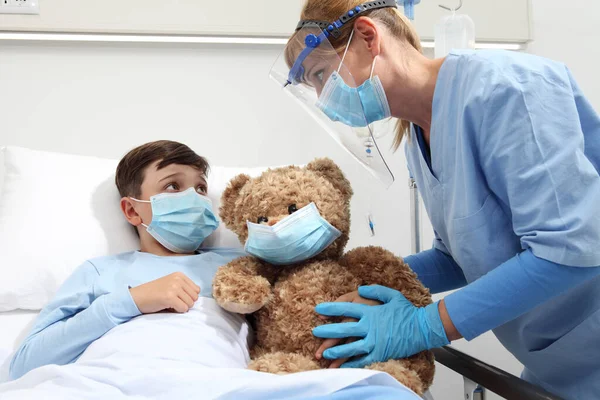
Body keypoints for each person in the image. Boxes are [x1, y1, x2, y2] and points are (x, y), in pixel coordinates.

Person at [272, 0, 600, 398]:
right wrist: (355, 277)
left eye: (321, 75)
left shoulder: (507, 89)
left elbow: (571, 248)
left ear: (368, 37)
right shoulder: (417, 134)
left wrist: (423, 325)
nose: (324, 97)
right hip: (559, 365)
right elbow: (460, 256)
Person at [8, 140, 247, 380]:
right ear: (132, 211)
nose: (194, 198)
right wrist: (131, 301)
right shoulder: (100, 272)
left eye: (201, 188)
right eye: (173, 186)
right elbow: (24, 365)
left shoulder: (239, 266)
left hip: (216, 382)